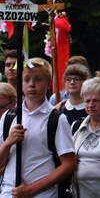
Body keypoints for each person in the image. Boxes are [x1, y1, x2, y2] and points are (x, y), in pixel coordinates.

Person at [0, 57, 76, 197]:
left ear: (48, 84)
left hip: (43, 193)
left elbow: (69, 163)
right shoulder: (9, 117)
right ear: (21, 84)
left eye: (38, 79)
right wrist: (8, 143)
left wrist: (31, 190)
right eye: (26, 79)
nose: (31, 84)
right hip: (9, 192)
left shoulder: (56, 119)